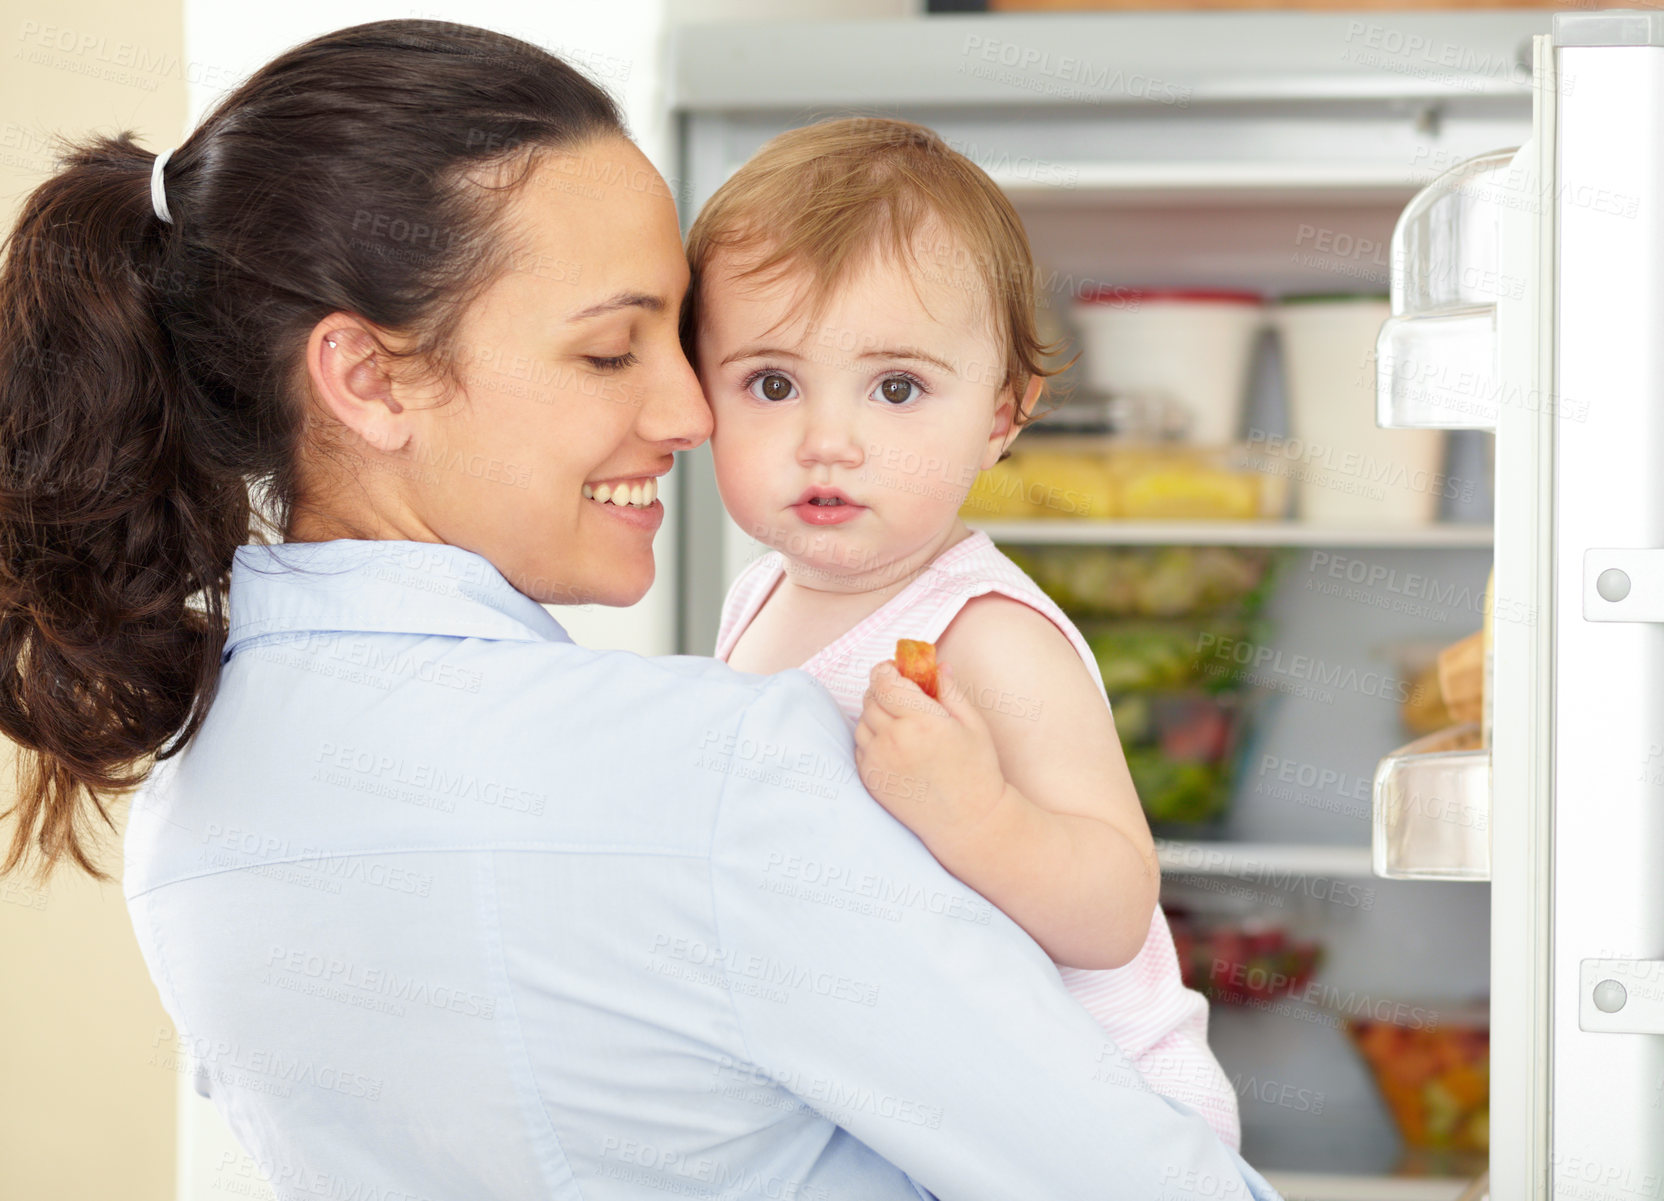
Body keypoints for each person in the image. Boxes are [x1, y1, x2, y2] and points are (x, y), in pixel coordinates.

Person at [0, 18, 1279, 1201]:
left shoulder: (189, 796)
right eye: (614, 350)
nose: (688, 412)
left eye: (681, 343)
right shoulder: (722, 773)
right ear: (368, 377)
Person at [688, 116, 1239, 1149]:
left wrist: (975, 812)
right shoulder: (755, 598)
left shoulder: (985, 635)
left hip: (1091, 1124)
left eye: (896, 388)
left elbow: (1113, 908)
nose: (827, 440)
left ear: (1002, 415)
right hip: (922, 1098)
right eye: (770, 383)